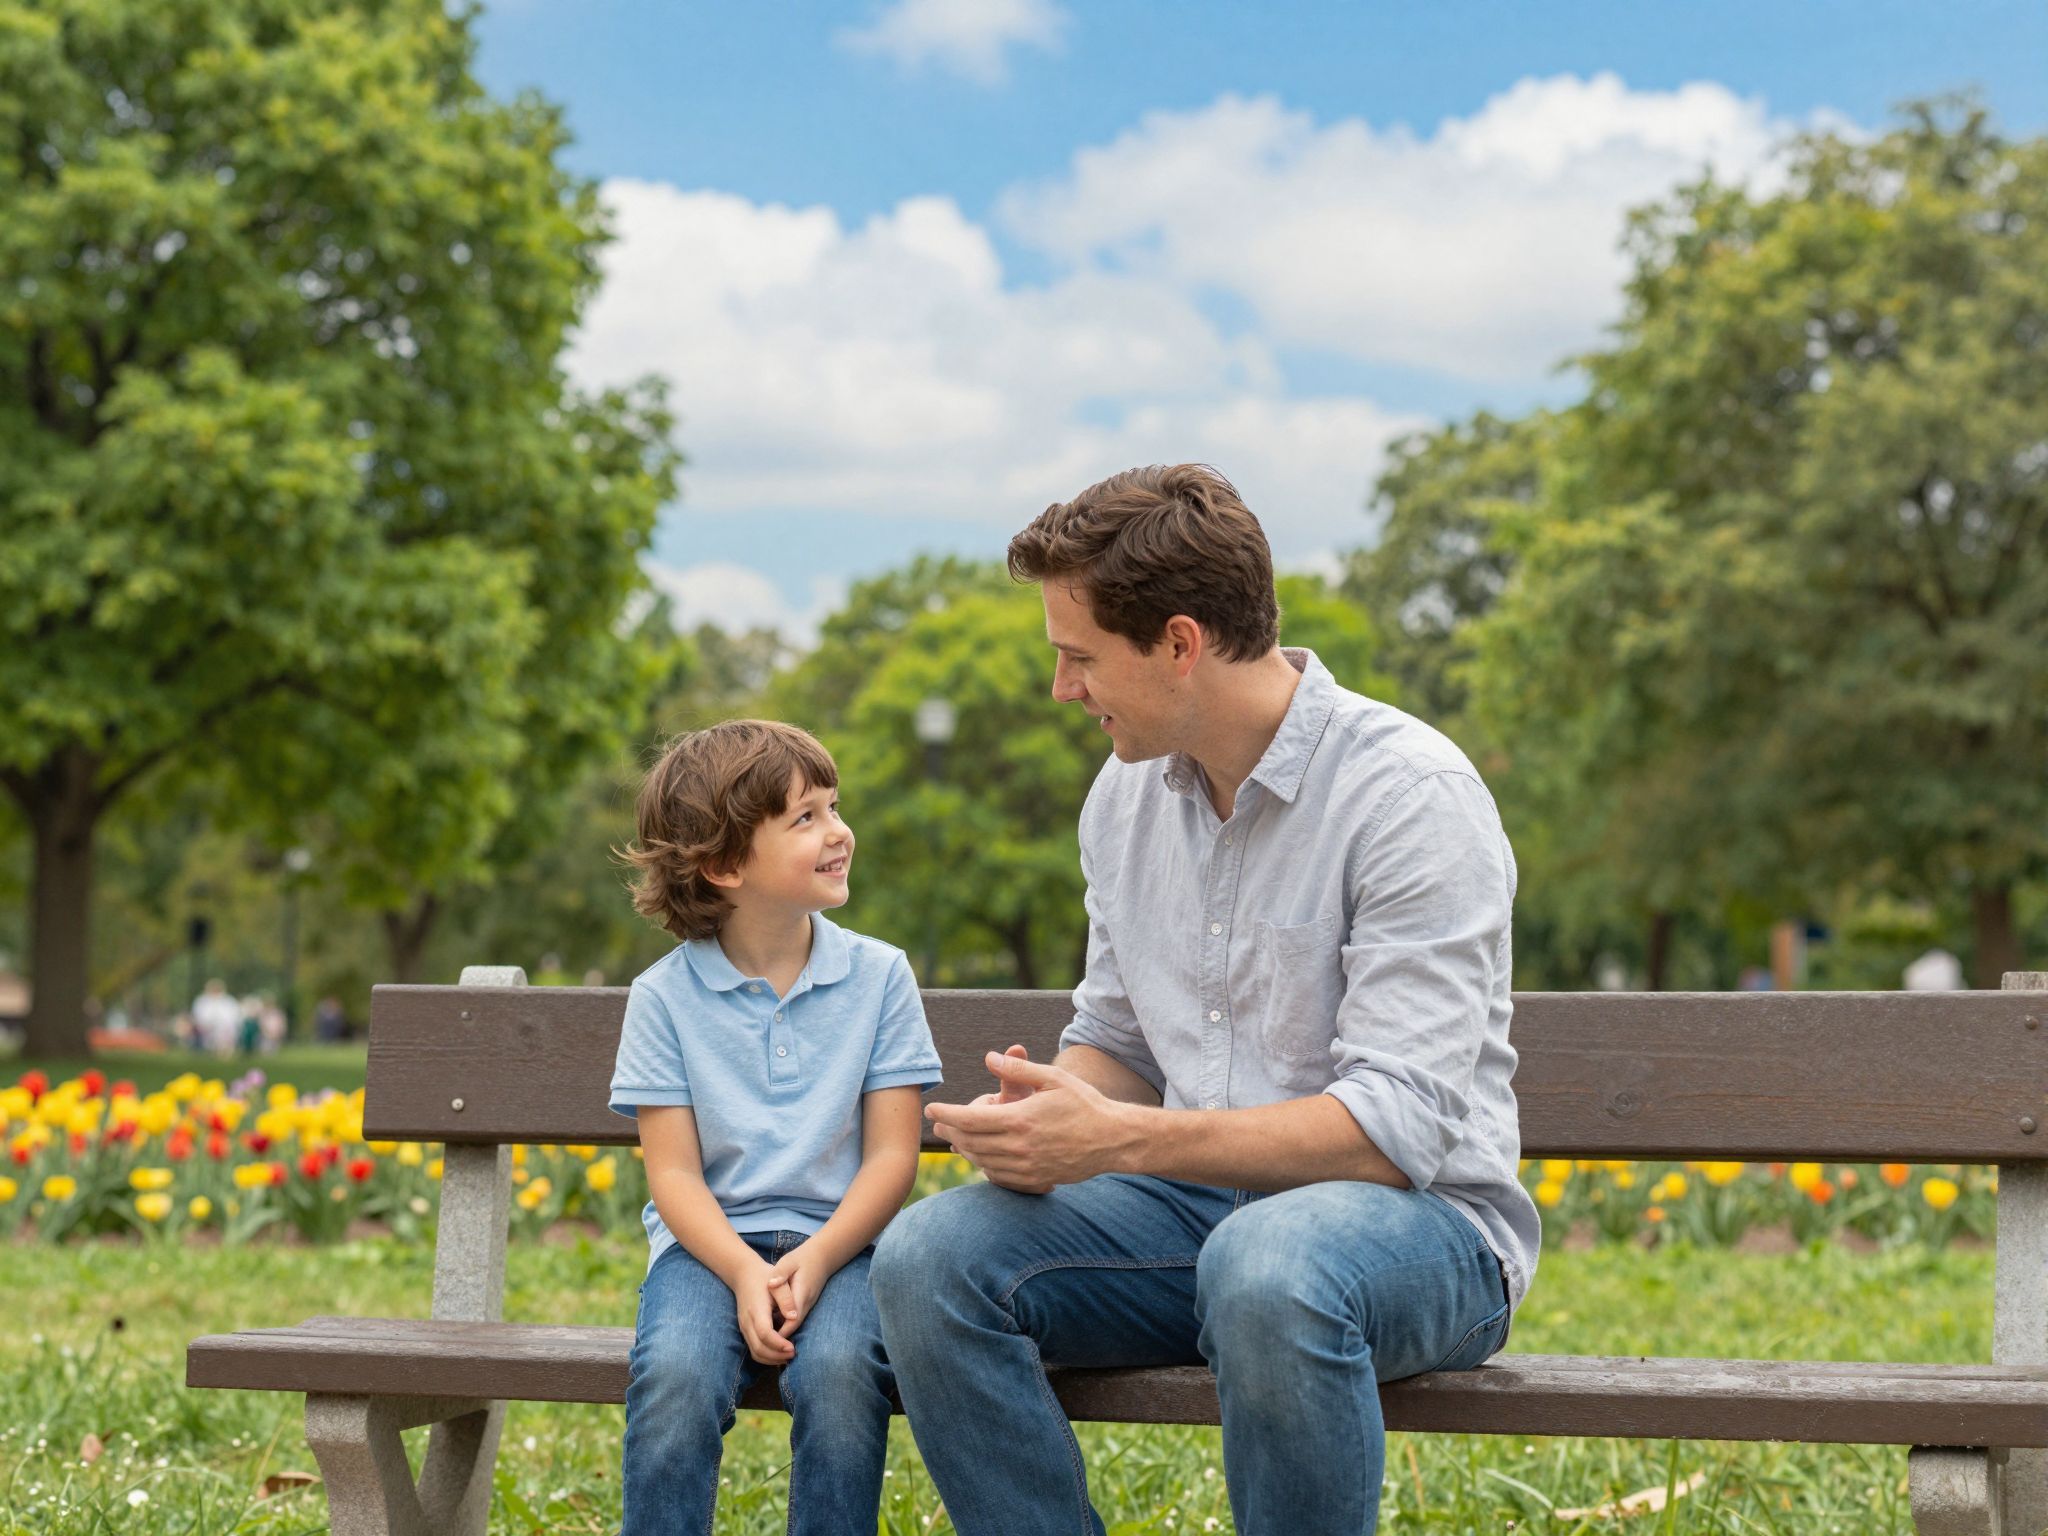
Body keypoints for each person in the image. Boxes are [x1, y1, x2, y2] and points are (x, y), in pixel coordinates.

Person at [870, 464, 1539, 1536]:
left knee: (1266, 1266)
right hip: (1195, 1219)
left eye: (1078, 657)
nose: (1061, 689)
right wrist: (1049, 1114)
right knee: (926, 1260)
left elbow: (1394, 1131)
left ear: (1179, 643)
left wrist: (1118, 1138)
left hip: (1423, 1236)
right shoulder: (1124, 795)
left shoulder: (1411, 798)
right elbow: (1118, 1037)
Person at [608, 719, 943, 1536]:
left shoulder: (879, 976)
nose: (839, 832)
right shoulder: (662, 998)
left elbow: (894, 1155)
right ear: (724, 866)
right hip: (706, 1251)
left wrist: (820, 1257)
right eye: (806, 819)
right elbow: (675, 1177)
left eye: (835, 807)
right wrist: (744, 1273)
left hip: (846, 1245)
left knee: (838, 1376)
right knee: (676, 1379)